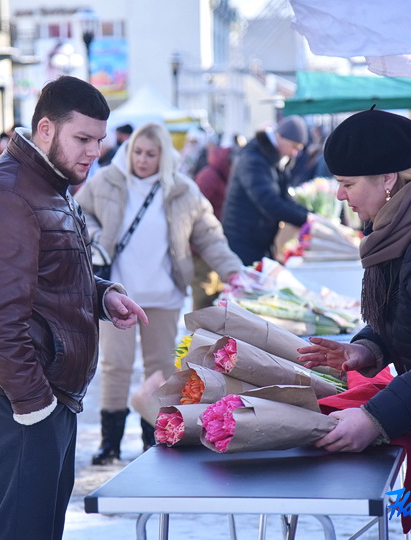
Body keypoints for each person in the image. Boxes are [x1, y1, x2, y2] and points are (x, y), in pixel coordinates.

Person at [0, 76, 148, 540]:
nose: (93, 151)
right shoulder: (10, 196)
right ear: (45, 129)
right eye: (82, 138)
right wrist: (35, 406)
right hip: (16, 396)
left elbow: (48, 274)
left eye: (99, 140)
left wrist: (102, 295)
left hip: (41, 392)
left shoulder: (47, 182)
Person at [75, 122, 243, 465]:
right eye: (138, 151)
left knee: (161, 369)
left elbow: (210, 237)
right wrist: (94, 238)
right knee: (115, 366)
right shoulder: (106, 181)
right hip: (115, 295)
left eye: (151, 154)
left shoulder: (183, 190)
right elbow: (78, 214)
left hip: (164, 294)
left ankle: (154, 436)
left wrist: (234, 271)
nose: (143, 159)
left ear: (164, 155)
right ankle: (110, 443)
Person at [296, 108, 411, 479]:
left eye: (347, 183)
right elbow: (406, 312)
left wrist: (374, 419)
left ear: (388, 179)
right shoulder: (402, 220)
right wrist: (367, 348)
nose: (339, 194)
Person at [220, 115, 314, 266]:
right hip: (243, 241)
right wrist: (305, 219)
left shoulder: (275, 159)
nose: (295, 153)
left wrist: (308, 215)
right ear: (280, 138)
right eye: (294, 147)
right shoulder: (253, 159)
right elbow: (268, 201)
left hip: (259, 239)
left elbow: (285, 198)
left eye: (299, 150)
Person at [191, 142, 234, 310]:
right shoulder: (210, 176)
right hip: (201, 248)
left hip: (214, 244)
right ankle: (197, 335)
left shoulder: (222, 175)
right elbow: (195, 210)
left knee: (214, 294)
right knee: (204, 296)